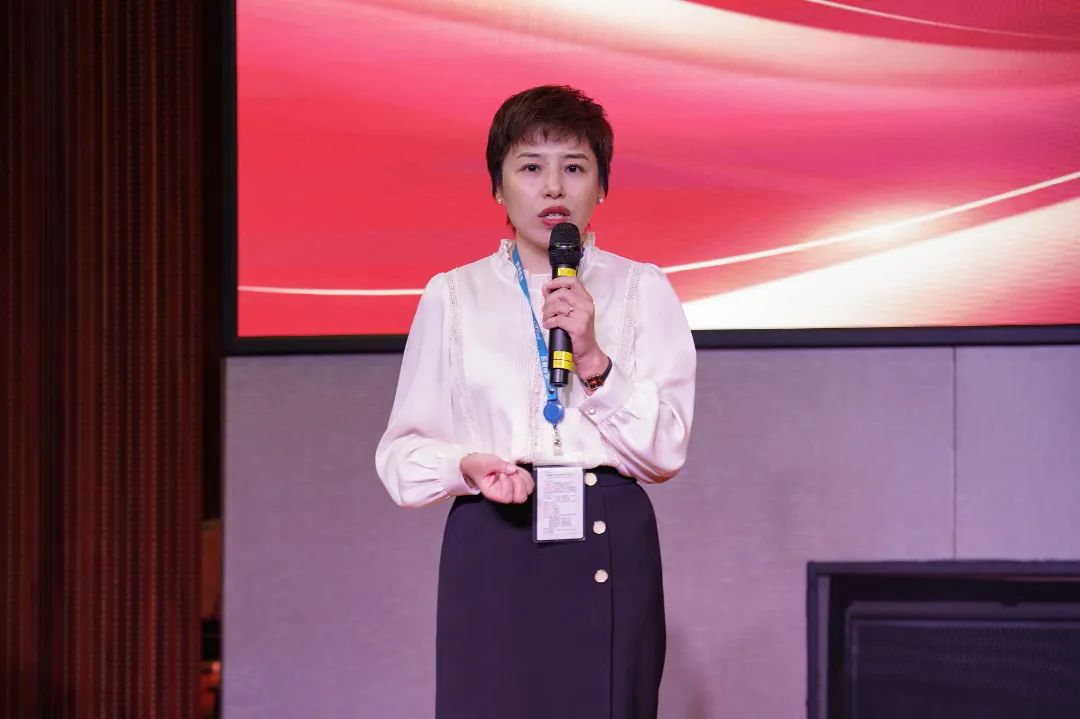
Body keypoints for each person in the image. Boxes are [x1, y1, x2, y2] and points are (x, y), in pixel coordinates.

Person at [375, 85, 696, 719]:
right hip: (495, 535)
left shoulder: (643, 288)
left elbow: (665, 453)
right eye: (530, 167)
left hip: (607, 530)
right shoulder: (453, 294)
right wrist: (466, 466)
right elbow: (402, 455)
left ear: (601, 186)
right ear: (498, 187)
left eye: (574, 168)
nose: (553, 187)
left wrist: (594, 359)